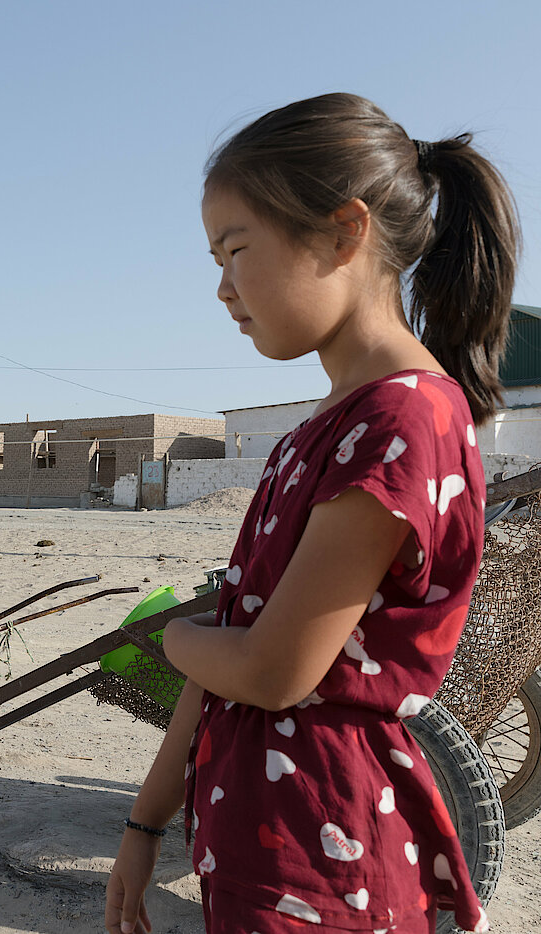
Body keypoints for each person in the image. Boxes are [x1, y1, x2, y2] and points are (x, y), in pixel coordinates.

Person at [104, 93, 518, 934]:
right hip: (260, 833)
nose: (222, 287)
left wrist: (167, 638)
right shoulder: (324, 428)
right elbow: (240, 637)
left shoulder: (403, 420)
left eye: (238, 249)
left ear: (343, 232)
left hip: (321, 852)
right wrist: (146, 820)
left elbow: (266, 668)